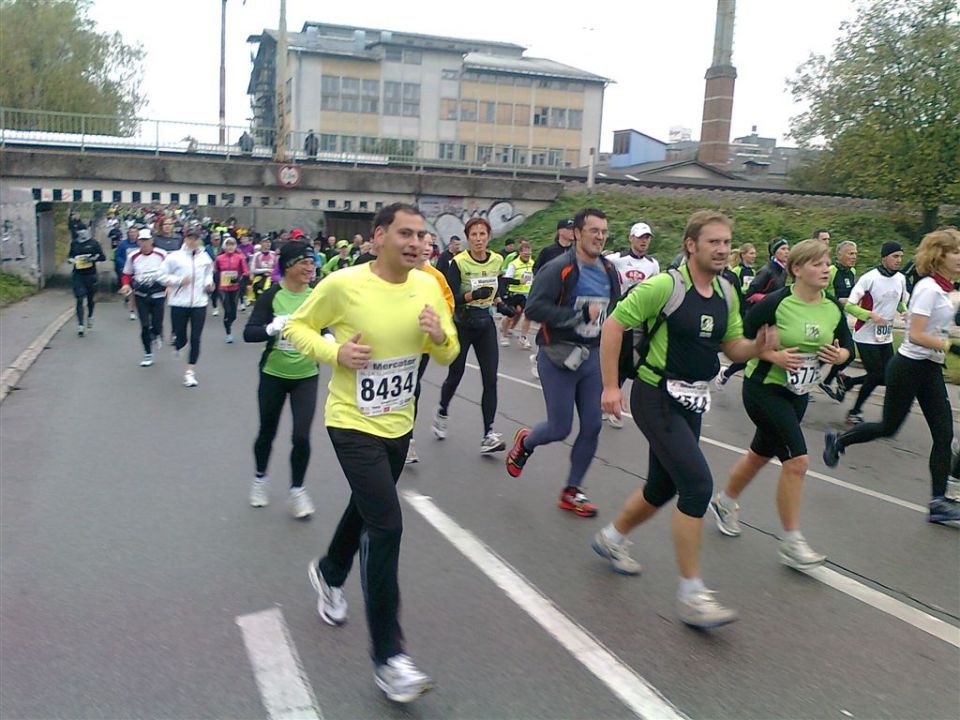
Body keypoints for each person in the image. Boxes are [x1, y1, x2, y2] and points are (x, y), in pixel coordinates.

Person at [284, 202, 458, 704]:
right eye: (405, 233)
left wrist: (437, 334)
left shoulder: (428, 284)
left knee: (366, 508)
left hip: (398, 422)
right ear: (378, 236)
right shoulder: (344, 285)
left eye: (421, 235)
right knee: (386, 524)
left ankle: (328, 572)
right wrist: (334, 352)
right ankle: (389, 659)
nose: (417, 243)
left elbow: (446, 353)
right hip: (350, 421)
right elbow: (297, 327)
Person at [596, 210, 778, 628]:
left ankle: (611, 539)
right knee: (697, 485)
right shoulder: (666, 286)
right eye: (713, 242)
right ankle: (692, 593)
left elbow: (731, 346)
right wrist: (610, 387)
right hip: (655, 394)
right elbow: (614, 325)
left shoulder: (726, 293)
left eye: (727, 242)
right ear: (691, 245)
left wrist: (757, 348)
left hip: (693, 400)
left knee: (662, 486)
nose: (723, 249)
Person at [711, 239, 854, 569]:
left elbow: (848, 347)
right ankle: (791, 542)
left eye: (827, 263)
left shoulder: (831, 305)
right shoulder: (775, 304)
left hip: (799, 394)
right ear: (797, 269)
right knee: (797, 461)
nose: (825, 269)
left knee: (760, 455)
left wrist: (840, 355)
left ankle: (725, 501)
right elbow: (735, 342)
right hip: (764, 389)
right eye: (817, 264)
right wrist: (770, 353)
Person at [824, 228, 960, 524]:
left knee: (944, 434)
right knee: (888, 427)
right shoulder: (928, 289)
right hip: (909, 366)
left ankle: (938, 501)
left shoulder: (948, 289)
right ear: (940, 256)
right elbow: (916, 334)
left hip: (930, 368)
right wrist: (951, 346)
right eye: (956, 252)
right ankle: (839, 441)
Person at [506, 209, 621, 518]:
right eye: (593, 230)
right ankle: (526, 442)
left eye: (603, 231)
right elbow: (534, 308)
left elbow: (617, 314)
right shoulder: (560, 269)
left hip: (591, 357)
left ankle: (572, 490)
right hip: (557, 355)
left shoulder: (610, 270)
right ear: (578, 233)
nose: (599, 236)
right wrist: (578, 316)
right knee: (559, 428)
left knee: (594, 425)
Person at [244, 241, 319, 518]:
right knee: (267, 430)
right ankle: (260, 479)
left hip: (306, 375)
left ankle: (297, 491)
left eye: (312, 263)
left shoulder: (316, 295)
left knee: (301, 435)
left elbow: (327, 325)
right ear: (288, 266)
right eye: (304, 263)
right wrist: (271, 328)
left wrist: (329, 337)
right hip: (273, 374)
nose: (310, 268)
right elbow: (249, 333)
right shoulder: (271, 296)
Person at [433, 217, 507, 453]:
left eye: (482, 234)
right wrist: (472, 296)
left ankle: (488, 434)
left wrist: (501, 302)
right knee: (456, 373)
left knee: (491, 379)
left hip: (485, 323)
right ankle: (442, 411)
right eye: (473, 235)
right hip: (463, 324)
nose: (478, 239)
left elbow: (496, 287)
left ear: (488, 236)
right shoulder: (458, 262)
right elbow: (452, 297)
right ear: (467, 238)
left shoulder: (497, 260)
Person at [839, 241, 909, 424]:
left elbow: (899, 301)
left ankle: (849, 383)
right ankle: (854, 412)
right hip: (865, 334)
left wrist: (904, 310)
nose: (899, 260)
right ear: (884, 257)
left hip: (885, 335)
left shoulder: (900, 278)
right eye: (895, 256)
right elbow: (850, 305)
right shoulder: (869, 278)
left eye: (901, 256)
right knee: (877, 374)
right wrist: (870, 315)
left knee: (888, 376)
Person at [407, 238, 456, 464]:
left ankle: (407, 439)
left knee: (412, 388)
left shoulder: (436, 277)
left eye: (430, 244)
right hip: (397, 343)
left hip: (423, 345)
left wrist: (434, 321)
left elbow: (447, 305)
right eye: (422, 243)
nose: (426, 248)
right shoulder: (398, 270)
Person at [160, 227, 214, 387]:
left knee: (196, 338)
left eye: (196, 238)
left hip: (199, 303)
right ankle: (178, 343)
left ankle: (190, 372)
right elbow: (161, 276)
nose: (193, 241)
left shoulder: (205, 257)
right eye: (190, 238)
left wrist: (209, 284)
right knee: (181, 336)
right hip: (179, 303)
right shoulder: (174, 257)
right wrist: (178, 281)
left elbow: (208, 274)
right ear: (185, 239)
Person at [120, 229, 168, 366]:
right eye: (142, 241)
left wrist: (170, 284)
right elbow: (126, 274)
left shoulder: (162, 254)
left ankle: (157, 333)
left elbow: (171, 270)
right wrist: (125, 285)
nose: (144, 244)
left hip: (158, 294)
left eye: (147, 240)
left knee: (157, 324)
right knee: (145, 325)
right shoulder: (133, 256)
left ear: (152, 241)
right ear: (138, 242)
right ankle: (148, 354)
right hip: (141, 294)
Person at [819, 240, 859, 400]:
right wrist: (837, 300)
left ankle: (825, 381)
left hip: (841, 319)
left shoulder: (852, 271)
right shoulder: (831, 271)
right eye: (851, 253)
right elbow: (818, 293)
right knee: (834, 352)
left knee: (845, 354)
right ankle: (812, 380)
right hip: (827, 318)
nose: (854, 257)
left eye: (856, 253)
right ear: (839, 255)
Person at [715, 242, 758, 387]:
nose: (754, 256)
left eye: (754, 253)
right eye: (751, 253)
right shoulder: (737, 272)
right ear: (743, 255)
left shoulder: (752, 272)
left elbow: (739, 295)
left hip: (745, 313)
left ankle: (726, 371)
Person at [68, 228, 106, 336]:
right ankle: (80, 325)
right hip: (78, 275)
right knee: (79, 298)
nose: (82, 234)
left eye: (83, 232)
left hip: (91, 275)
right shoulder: (74, 243)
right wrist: (71, 260)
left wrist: (93, 259)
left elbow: (102, 257)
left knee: (90, 299)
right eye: (79, 232)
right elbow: (70, 255)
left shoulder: (94, 243)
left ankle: (90, 315)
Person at [498, 239, 535, 349]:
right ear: (520, 253)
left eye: (529, 253)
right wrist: (519, 282)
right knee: (512, 314)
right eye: (525, 253)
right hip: (515, 292)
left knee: (526, 314)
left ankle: (522, 338)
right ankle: (504, 335)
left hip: (527, 292)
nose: (527, 255)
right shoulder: (514, 264)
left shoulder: (532, 263)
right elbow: (506, 279)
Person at [214, 237, 249, 343]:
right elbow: (215, 272)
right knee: (227, 310)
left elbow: (245, 271)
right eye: (228, 245)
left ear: (235, 246)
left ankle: (229, 323)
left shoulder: (239, 258)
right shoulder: (219, 258)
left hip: (235, 287)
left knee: (233, 314)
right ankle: (228, 333)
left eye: (232, 245)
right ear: (224, 246)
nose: (230, 247)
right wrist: (214, 284)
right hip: (223, 288)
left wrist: (241, 278)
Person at [744, 238, 789, 304]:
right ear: (774, 252)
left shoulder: (784, 271)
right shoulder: (766, 271)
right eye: (783, 249)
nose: (787, 252)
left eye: (788, 249)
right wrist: (770, 299)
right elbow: (749, 295)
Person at [114, 226, 141, 320]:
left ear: (138, 233)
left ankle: (137, 307)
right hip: (127, 270)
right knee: (131, 291)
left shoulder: (140, 243)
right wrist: (124, 265)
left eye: (134, 232)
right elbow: (118, 256)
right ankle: (132, 311)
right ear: (128, 233)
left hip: (139, 270)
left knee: (137, 292)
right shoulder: (123, 244)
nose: (133, 234)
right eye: (131, 232)